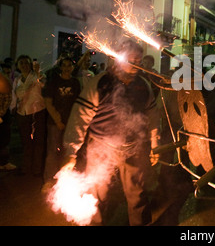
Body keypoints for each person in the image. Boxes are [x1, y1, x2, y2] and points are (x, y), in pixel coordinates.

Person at [61, 40, 161, 226]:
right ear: (119, 59)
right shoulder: (100, 82)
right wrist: (71, 153)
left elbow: (153, 116)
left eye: (138, 61)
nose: (135, 66)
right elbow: (80, 117)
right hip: (101, 147)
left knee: (137, 194)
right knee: (97, 194)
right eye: (131, 61)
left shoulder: (143, 85)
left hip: (133, 148)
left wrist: (155, 145)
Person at [41, 57, 81, 192]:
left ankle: (64, 180)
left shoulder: (75, 83)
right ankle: (49, 181)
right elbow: (48, 102)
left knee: (67, 152)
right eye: (64, 65)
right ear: (60, 67)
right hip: (54, 123)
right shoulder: (53, 82)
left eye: (69, 65)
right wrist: (58, 120)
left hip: (70, 123)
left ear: (72, 67)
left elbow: (78, 103)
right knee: (52, 152)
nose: (67, 68)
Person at [10, 55, 46, 177]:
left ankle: (36, 168)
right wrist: (13, 109)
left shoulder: (37, 76)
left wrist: (38, 73)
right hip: (22, 112)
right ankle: (26, 167)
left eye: (26, 63)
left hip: (38, 111)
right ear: (18, 66)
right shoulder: (17, 80)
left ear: (30, 64)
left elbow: (43, 84)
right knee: (26, 142)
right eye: (21, 63)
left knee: (38, 141)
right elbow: (15, 96)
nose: (24, 65)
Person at [0, 71, 16, 170]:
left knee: (4, 140)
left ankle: (4, 162)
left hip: (3, 115)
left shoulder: (3, 81)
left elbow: (7, 97)